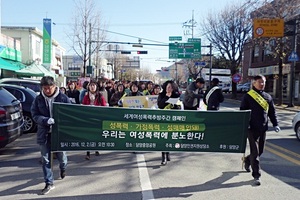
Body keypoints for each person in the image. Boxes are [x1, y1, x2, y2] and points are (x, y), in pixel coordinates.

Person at [31, 76, 71, 195]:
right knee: (45, 159)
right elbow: (34, 114)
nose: (47, 90)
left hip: (59, 133)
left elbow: (70, 113)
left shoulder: (63, 98)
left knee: (62, 157)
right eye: (45, 88)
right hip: (44, 133)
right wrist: (45, 120)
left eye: (49, 88)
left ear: (54, 86)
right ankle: (49, 182)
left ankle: (63, 168)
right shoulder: (38, 99)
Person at [240, 74, 280, 186]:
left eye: (263, 82)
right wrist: (245, 124)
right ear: (254, 83)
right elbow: (242, 112)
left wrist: (275, 124)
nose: (262, 84)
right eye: (259, 82)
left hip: (263, 128)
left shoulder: (268, 97)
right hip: (251, 128)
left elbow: (272, 112)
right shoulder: (248, 96)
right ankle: (256, 176)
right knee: (255, 152)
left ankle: (247, 160)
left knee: (260, 151)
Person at [82, 80, 107, 160]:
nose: (92, 87)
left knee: (96, 134)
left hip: (97, 119)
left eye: (94, 85)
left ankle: (96, 148)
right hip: (88, 119)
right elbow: (83, 106)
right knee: (88, 135)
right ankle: (88, 153)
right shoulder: (86, 96)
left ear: (96, 87)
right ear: (88, 87)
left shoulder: (100, 96)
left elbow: (104, 106)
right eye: (91, 85)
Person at [157, 80, 180, 165]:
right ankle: (163, 157)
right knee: (163, 137)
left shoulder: (176, 96)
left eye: (170, 87)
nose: (169, 88)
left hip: (172, 121)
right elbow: (160, 105)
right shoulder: (161, 95)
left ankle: (168, 152)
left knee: (170, 137)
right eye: (167, 87)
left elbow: (179, 107)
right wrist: (166, 97)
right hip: (163, 120)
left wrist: (175, 106)